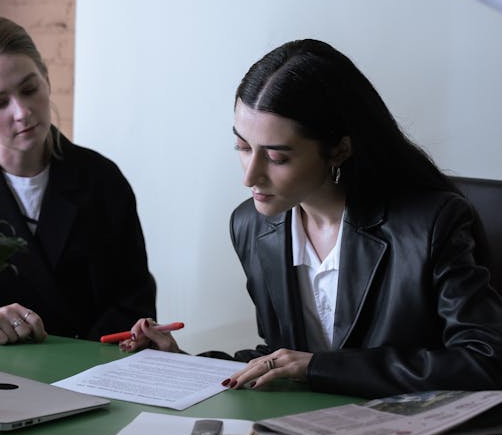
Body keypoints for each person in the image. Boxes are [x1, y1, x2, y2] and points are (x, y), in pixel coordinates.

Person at [120, 39, 502, 398]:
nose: (249, 176)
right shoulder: (251, 226)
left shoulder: (433, 224)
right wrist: (179, 363)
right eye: (242, 146)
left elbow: (486, 362)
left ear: (339, 150)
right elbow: (283, 356)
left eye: (276, 157)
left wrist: (321, 368)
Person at [0, 17, 157, 344]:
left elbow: (133, 299)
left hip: (91, 373)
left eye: (29, 89)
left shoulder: (102, 181)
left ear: (46, 80)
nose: (22, 111)